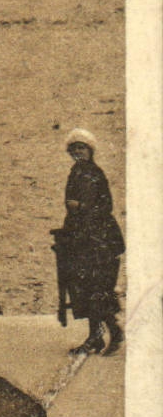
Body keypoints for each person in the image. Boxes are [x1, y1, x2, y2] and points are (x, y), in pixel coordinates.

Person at [53, 129, 125, 355]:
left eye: (81, 148)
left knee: (97, 288)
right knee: (84, 288)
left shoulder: (93, 173)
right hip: (83, 239)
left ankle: (114, 331)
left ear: (90, 150)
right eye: (73, 149)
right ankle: (95, 337)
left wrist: (80, 208)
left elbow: (104, 208)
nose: (77, 153)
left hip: (100, 240)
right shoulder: (76, 172)